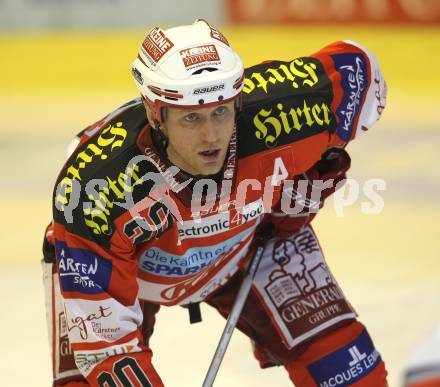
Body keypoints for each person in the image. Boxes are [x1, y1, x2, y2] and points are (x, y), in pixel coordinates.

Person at [42, 19, 389, 386]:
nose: (211, 136)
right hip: (128, 276)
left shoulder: (285, 110)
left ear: (238, 102)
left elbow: (361, 72)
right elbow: (110, 351)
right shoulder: (96, 191)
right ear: (155, 113)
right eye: (191, 118)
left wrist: (321, 162)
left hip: (248, 243)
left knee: (349, 372)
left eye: (221, 112)